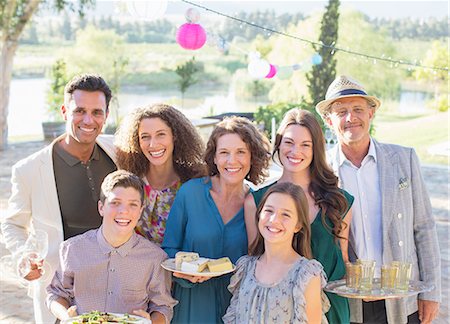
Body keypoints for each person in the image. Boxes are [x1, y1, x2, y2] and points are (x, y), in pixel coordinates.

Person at [316, 75, 441, 324]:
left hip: (398, 296)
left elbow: (424, 228)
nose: (351, 118)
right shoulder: (321, 171)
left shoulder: (403, 159)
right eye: (341, 112)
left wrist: (431, 291)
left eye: (358, 109)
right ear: (329, 121)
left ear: (371, 114)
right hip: (346, 301)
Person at [1, 74, 117, 324]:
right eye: (80, 111)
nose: (88, 120)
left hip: (116, 289)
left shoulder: (118, 151)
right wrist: (25, 255)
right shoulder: (29, 169)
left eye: (97, 112)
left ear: (106, 116)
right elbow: (12, 224)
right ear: (65, 111)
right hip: (61, 295)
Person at [245, 108, 354, 323]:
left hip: (331, 310)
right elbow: (254, 261)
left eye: (306, 145)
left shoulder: (339, 202)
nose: (296, 151)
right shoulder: (256, 202)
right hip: (276, 312)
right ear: (278, 144)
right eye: (289, 142)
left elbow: (343, 260)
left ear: (316, 150)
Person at [162, 116, 271, 323]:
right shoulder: (189, 193)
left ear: (252, 157)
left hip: (239, 306)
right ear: (214, 157)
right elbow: (168, 249)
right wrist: (185, 273)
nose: (232, 161)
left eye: (241, 152)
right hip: (193, 304)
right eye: (224, 153)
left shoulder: (259, 203)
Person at [46, 170, 177, 324]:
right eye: (115, 203)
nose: (124, 211)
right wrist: (67, 317)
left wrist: (150, 322)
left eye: (133, 205)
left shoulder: (155, 258)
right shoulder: (72, 249)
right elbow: (55, 294)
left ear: (141, 211)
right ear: (101, 207)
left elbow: (163, 307)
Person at [224, 182, 328, 323]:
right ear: (259, 214)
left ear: (298, 225)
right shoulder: (245, 268)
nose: (274, 220)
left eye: (285, 214)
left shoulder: (306, 275)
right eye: (269, 211)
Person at [114, 103, 205, 245]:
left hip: (182, 265)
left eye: (161, 134)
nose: (153, 144)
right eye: (145, 137)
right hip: (138, 264)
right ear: (136, 141)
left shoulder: (194, 184)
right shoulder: (130, 183)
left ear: (174, 136)